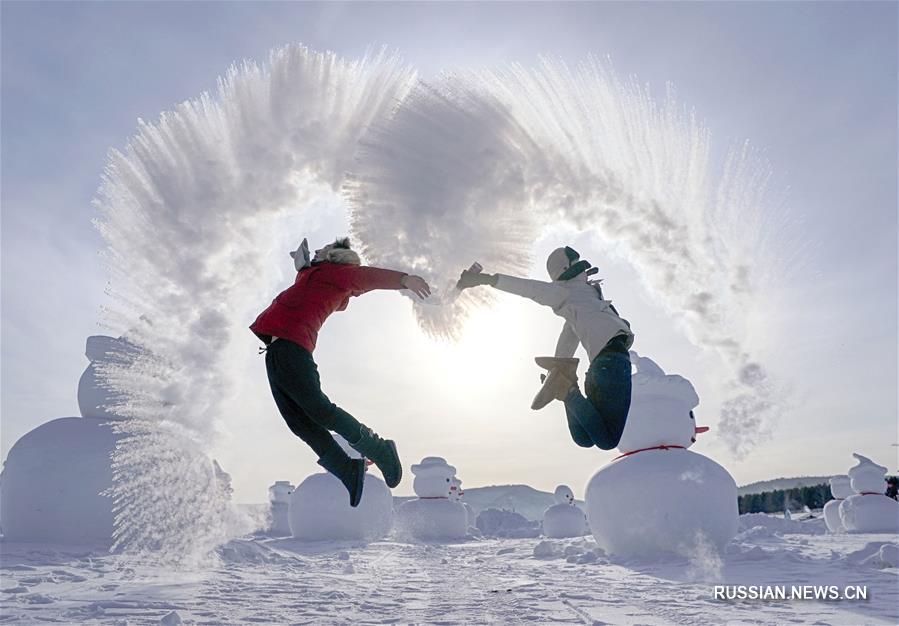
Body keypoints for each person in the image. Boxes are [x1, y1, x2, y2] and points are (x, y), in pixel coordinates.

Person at [251, 237, 431, 506]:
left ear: (336, 257)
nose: (319, 251)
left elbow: (367, 277)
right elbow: (304, 273)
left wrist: (405, 280)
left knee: (319, 409)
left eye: (324, 250)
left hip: (293, 347)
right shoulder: (311, 275)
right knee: (299, 424)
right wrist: (301, 264)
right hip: (275, 351)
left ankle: (378, 448)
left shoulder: (340, 275)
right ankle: (347, 470)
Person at [457, 246, 634, 450]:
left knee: (583, 438)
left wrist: (556, 368)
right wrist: (486, 280)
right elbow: (530, 289)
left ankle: (566, 384)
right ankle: (566, 389)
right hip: (613, 363)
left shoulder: (584, 299)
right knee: (607, 440)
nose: (586, 271)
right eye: (580, 266)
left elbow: (568, 337)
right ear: (570, 269)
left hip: (601, 367)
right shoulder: (564, 292)